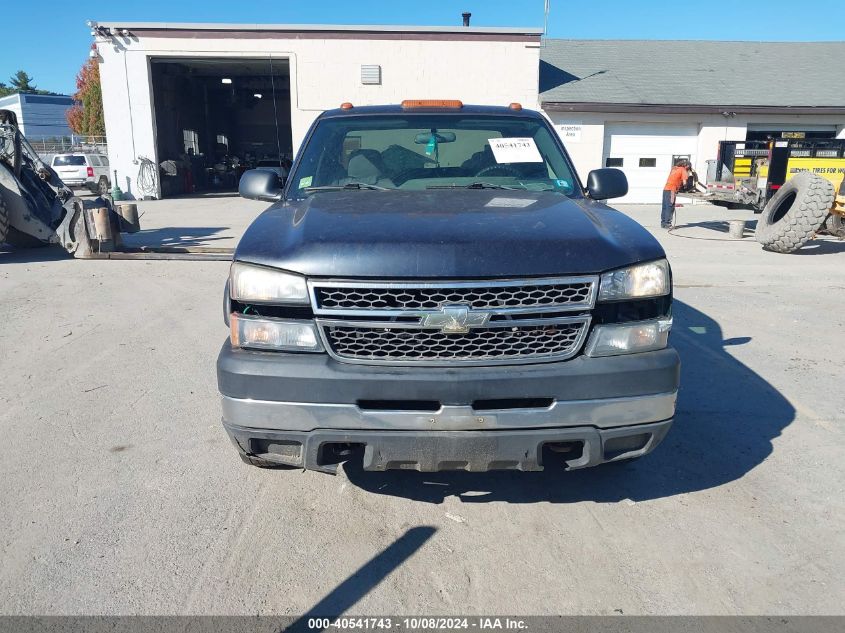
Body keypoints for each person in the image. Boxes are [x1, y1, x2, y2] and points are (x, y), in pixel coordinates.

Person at [662, 158, 690, 229]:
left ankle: (663, 223)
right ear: (686, 166)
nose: (688, 169)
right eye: (688, 167)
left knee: (665, 207)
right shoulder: (683, 170)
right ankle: (668, 224)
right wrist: (686, 188)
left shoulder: (674, 168)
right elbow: (684, 182)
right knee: (670, 207)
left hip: (666, 189)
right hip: (672, 190)